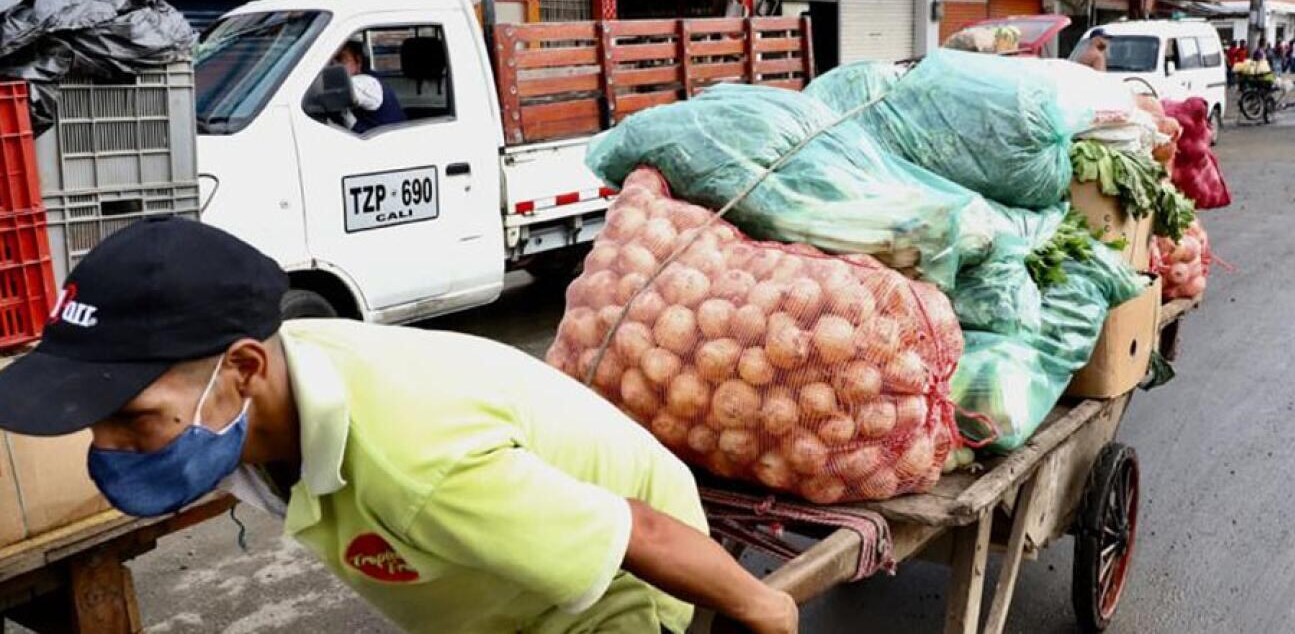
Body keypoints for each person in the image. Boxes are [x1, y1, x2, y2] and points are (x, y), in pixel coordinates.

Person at [0, 218, 800, 634]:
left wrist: (764, 610)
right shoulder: (264, 393)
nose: (109, 451)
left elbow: (640, 532)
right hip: (499, 564)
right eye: (96, 423)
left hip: (608, 599)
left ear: (244, 369)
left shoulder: (417, 463)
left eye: (134, 419)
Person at [335, 40, 407, 134]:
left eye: (341, 59)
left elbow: (336, 91)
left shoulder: (365, 83)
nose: (334, 65)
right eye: (329, 61)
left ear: (359, 61)